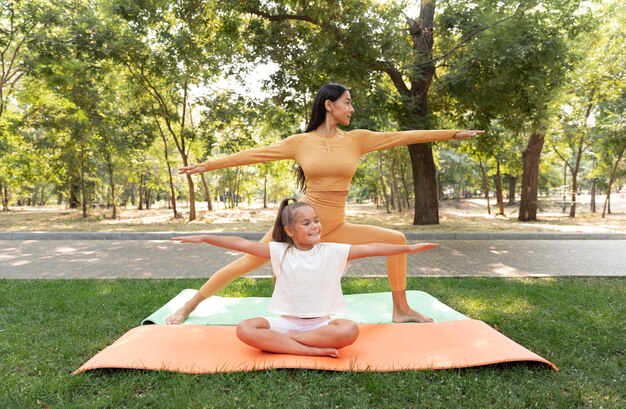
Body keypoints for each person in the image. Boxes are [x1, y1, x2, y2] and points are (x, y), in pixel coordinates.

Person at [167, 82, 483, 325]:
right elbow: (254, 154)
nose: (352, 109)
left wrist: (452, 134)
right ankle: (189, 305)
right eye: (348, 103)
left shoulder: (357, 139)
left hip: (337, 226)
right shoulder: (300, 142)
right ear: (329, 105)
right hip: (305, 223)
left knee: (396, 241)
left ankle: (400, 309)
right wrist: (206, 166)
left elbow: (405, 136)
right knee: (247, 262)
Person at [172, 198, 439, 358]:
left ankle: (286, 346)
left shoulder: (333, 251)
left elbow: (371, 249)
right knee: (245, 328)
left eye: (316, 221)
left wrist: (407, 248)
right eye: (306, 223)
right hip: (285, 323)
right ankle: (308, 351)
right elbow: (240, 242)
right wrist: (204, 237)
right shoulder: (279, 251)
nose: (315, 227)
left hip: (321, 325)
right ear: (289, 230)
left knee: (350, 330)